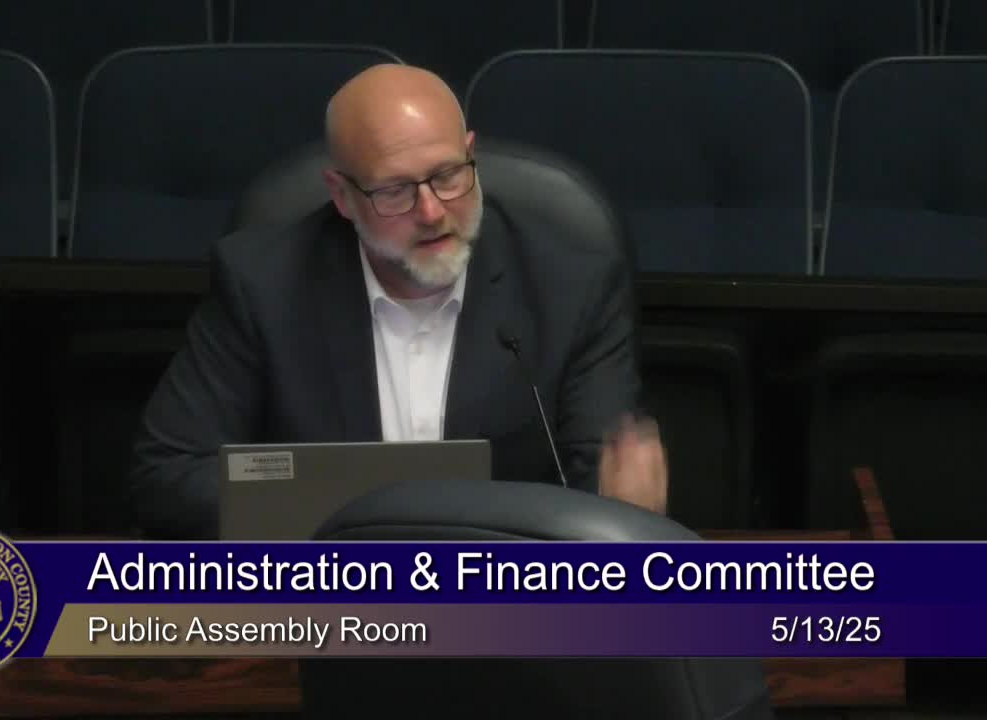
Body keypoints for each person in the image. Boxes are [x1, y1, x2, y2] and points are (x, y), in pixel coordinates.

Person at [130, 64, 666, 539]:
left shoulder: (571, 285)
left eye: (448, 176)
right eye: (394, 191)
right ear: (342, 196)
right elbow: (168, 474)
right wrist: (359, 526)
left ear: (471, 154)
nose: (431, 211)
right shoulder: (264, 284)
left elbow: (600, 484)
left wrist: (622, 509)